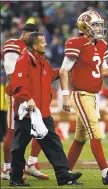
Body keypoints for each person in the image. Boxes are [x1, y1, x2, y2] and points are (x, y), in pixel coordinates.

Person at [7, 32, 82, 187]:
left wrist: (64, 70)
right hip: (27, 114)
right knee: (19, 148)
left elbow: (49, 75)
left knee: (54, 144)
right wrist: (28, 99)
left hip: (43, 113)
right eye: (42, 42)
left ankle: (64, 176)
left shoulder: (42, 62)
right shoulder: (24, 60)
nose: (45, 44)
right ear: (34, 46)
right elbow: (18, 85)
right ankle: (15, 178)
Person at [59, 11, 108, 185]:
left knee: (81, 137)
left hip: (94, 95)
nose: (99, 28)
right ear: (84, 26)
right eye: (95, 24)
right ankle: (105, 173)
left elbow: (104, 69)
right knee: (95, 130)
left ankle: (65, 175)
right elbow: (64, 71)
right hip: (81, 94)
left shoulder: (101, 44)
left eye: (99, 24)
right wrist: (65, 96)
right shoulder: (76, 43)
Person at [1, 23, 48, 180]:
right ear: (25, 33)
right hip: (19, 93)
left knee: (42, 129)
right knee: (13, 132)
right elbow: (9, 67)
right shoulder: (14, 44)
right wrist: (17, 91)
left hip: (33, 95)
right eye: (33, 35)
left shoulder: (33, 49)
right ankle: (7, 169)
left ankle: (31, 164)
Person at [0, 67, 8, 143]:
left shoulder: (6, 75)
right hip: (4, 104)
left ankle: (2, 136)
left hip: (4, 104)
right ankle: (2, 136)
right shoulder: (6, 75)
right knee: (3, 120)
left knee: (3, 120)